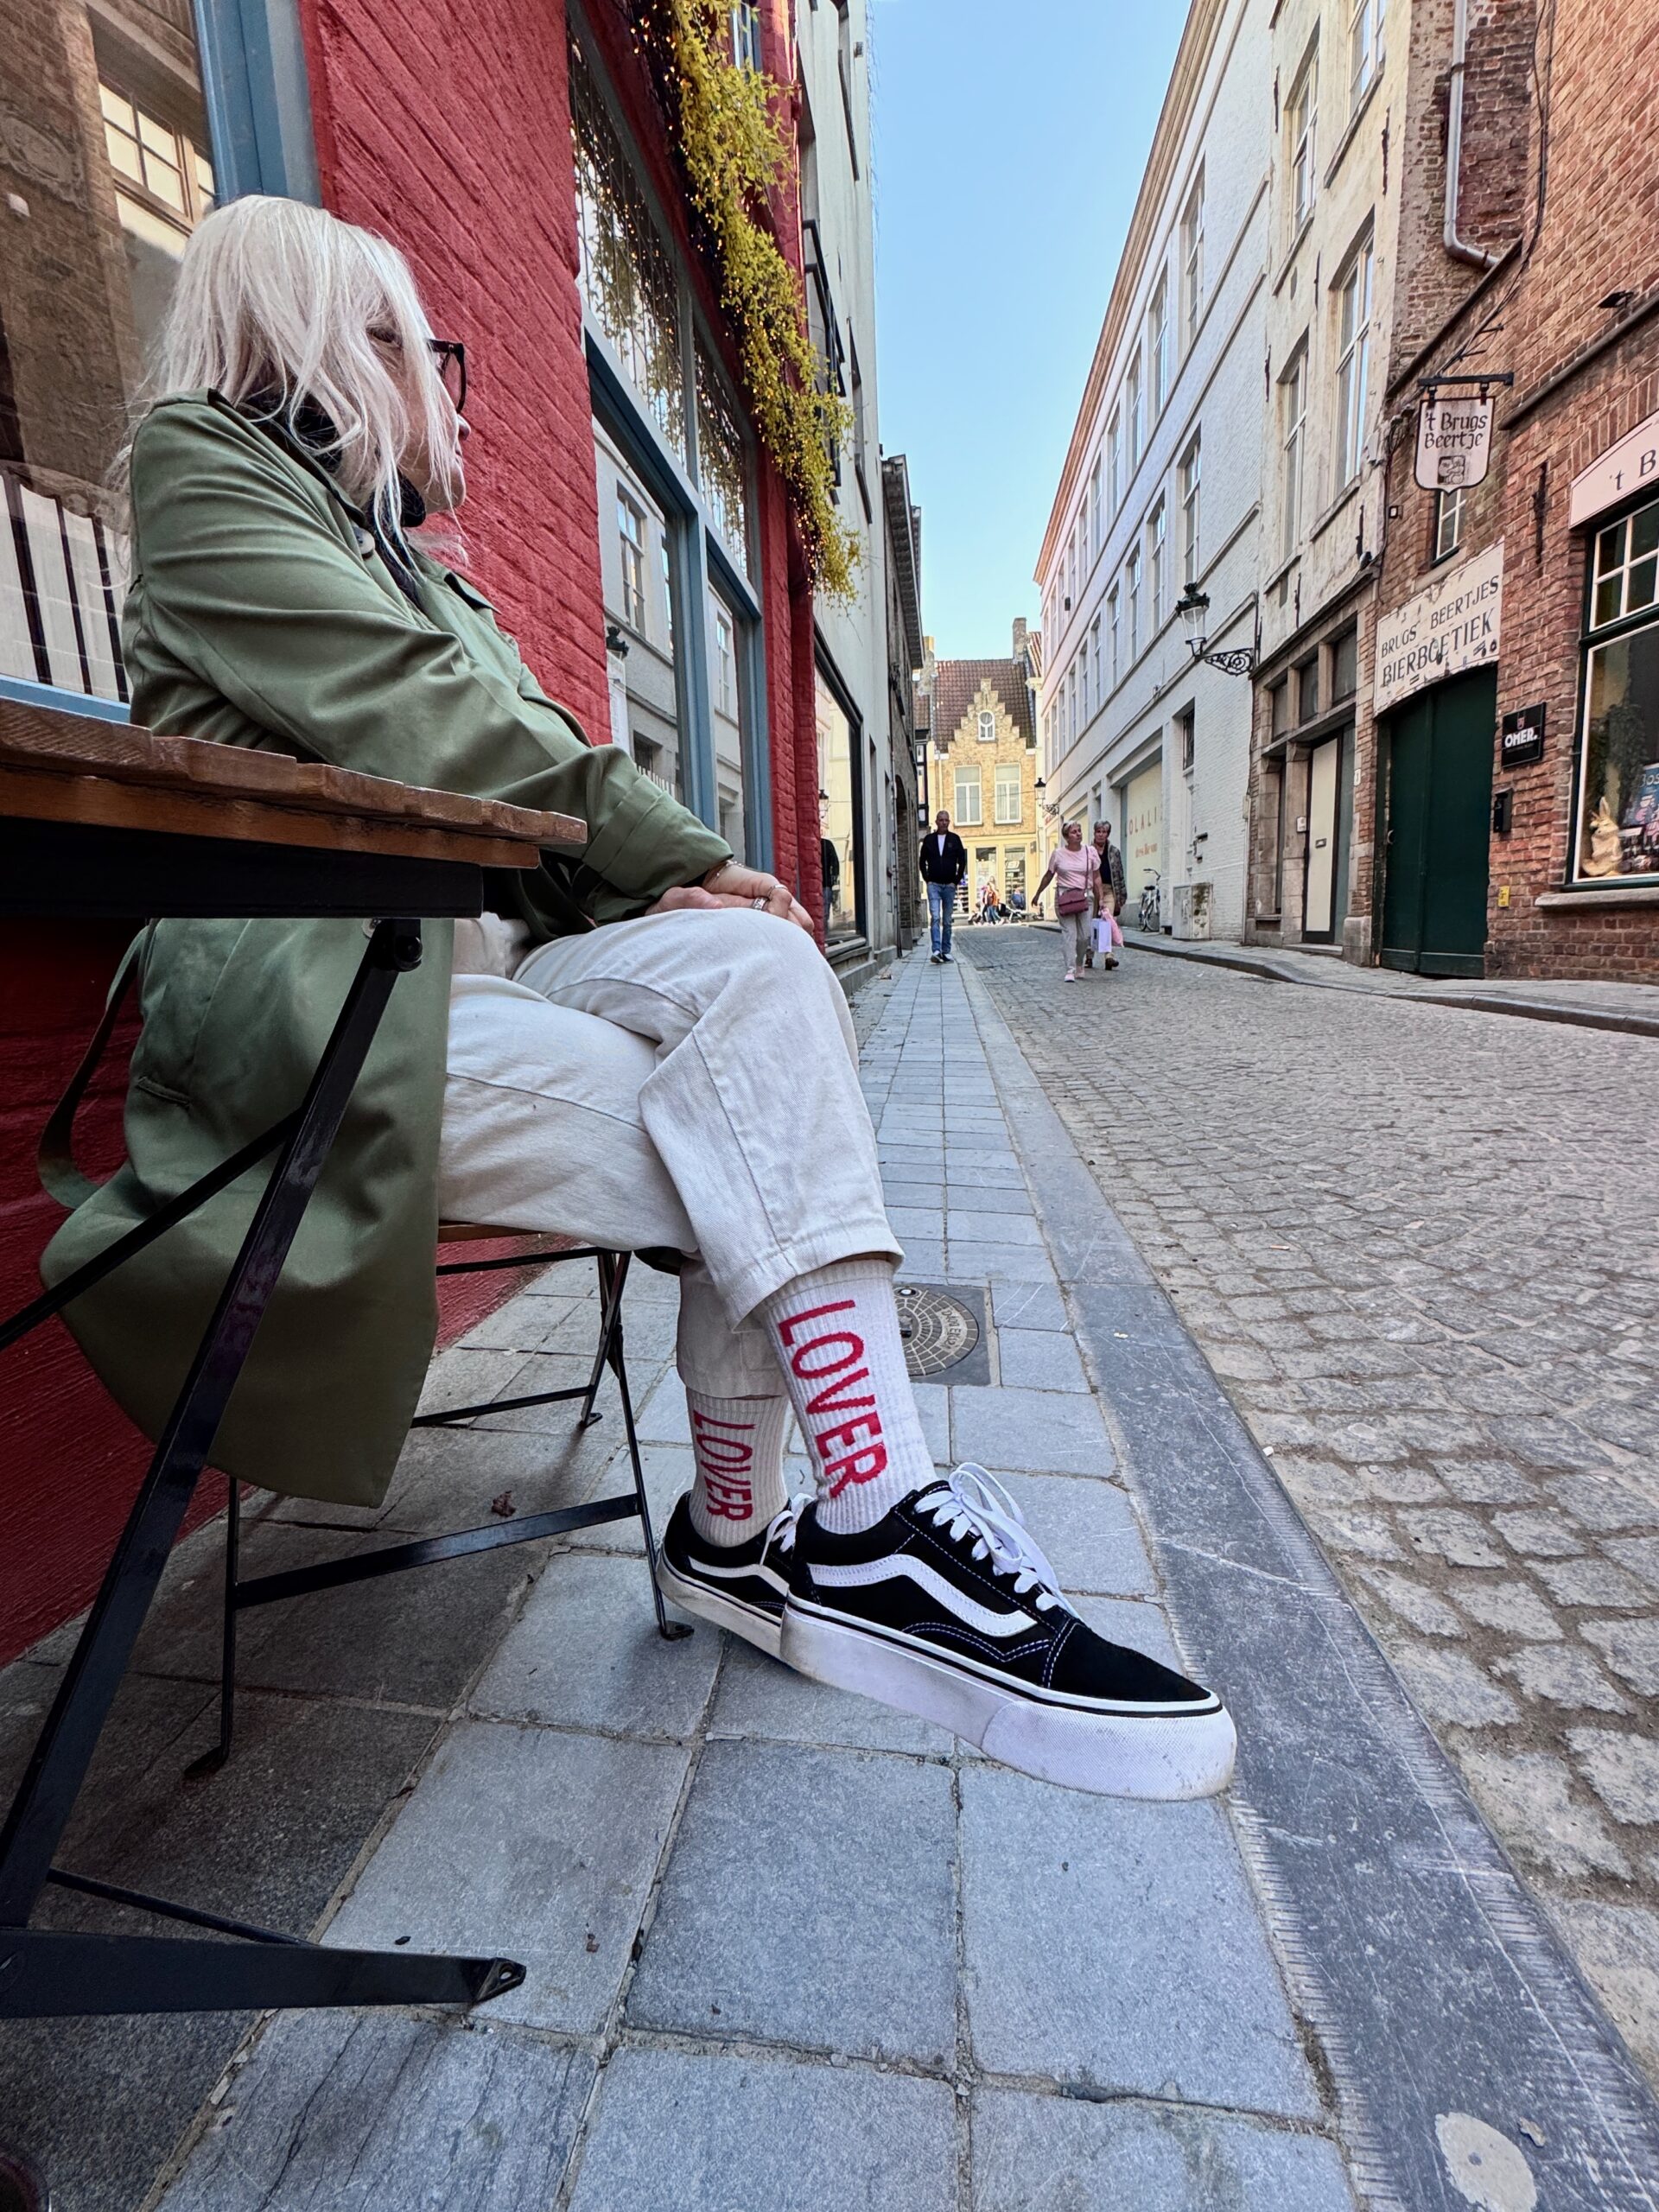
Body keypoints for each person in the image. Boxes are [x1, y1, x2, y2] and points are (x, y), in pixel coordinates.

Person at [42, 197, 1231, 1802]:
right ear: (331, 354)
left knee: (764, 973)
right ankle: (826, 1527)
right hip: (331, 1004)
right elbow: (428, 722)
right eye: (422, 351)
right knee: (754, 1148)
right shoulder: (209, 475)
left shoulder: (415, 565)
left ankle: (778, 1534)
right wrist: (669, 848)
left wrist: (673, 891)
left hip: (483, 966)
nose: (449, 391)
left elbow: (513, 777)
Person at [1034, 821, 1103, 982]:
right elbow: (1049, 875)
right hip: (1064, 897)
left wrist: (1101, 898)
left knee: (1085, 936)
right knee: (1069, 934)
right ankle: (1070, 969)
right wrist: (1038, 894)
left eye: (1079, 831)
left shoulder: (1090, 852)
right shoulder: (1058, 854)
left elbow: (1096, 877)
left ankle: (1079, 963)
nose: (1078, 834)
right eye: (1074, 832)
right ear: (1066, 837)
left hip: (1085, 897)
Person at [918, 808, 967, 964]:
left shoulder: (955, 839)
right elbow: (922, 861)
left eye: (946, 820)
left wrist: (955, 881)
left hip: (949, 886)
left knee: (947, 920)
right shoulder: (929, 840)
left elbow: (962, 861)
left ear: (949, 822)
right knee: (935, 917)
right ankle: (936, 950)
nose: (944, 823)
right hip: (934, 885)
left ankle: (946, 951)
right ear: (936, 822)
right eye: (941, 820)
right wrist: (927, 879)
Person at [1084, 820, 1127, 971]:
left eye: (1104, 832)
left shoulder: (1114, 852)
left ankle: (1109, 957)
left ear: (1108, 834)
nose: (1101, 835)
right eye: (1098, 831)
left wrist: (1121, 897)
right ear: (1094, 833)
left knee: (1107, 922)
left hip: (1109, 890)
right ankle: (1089, 956)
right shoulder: (1087, 851)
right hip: (1092, 890)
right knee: (1090, 923)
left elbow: (1119, 874)